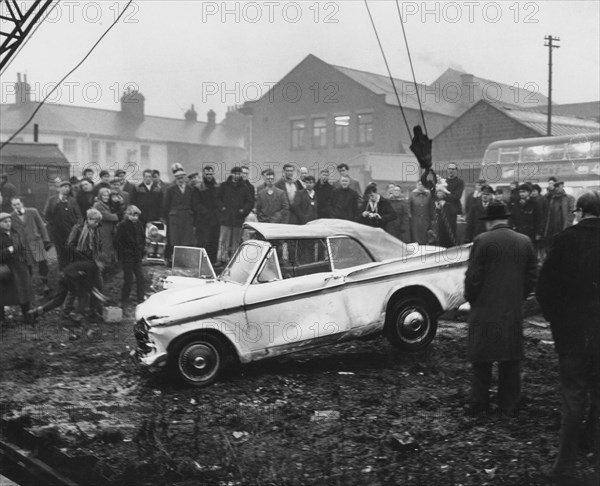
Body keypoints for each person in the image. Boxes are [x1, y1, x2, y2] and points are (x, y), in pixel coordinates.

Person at [536, 191, 600, 484]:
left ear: (579, 212)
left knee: (573, 398)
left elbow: (544, 289)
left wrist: (556, 321)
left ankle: (564, 468)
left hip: (573, 335)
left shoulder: (563, 240)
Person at [464, 202, 537, 416]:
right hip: (511, 310)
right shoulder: (524, 242)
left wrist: (472, 299)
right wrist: (518, 297)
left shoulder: (482, 241)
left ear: (489, 222)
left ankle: (480, 404)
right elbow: (532, 276)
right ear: (506, 219)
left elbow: (472, 278)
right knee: (510, 358)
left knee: (482, 360)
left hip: (484, 309)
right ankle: (508, 404)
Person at [27, 260, 107, 323]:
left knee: (58, 301)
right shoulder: (92, 267)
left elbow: (90, 286)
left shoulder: (90, 266)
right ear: (98, 262)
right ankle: (76, 316)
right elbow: (89, 286)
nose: (102, 267)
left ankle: (35, 313)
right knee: (83, 296)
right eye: (102, 265)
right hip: (69, 279)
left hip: (65, 277)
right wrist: (100, 298)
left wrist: (100, 296)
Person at [10, 196, 52, 294]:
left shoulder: (33, 212)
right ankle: (28, 288)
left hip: (36, 242)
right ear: (11, 206)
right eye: (14, 205)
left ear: (22, 204)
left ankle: (45, 285)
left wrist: (46, 240)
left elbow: (41, 226)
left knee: (43, 266)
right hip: (23, 247)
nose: (16, 206)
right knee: (27, 267)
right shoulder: (11, 217)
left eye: (18, 204)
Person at [0, 212, 34, 324]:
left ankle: (27, 315)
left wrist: (28, 264)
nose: (8, 224)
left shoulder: (16, 234)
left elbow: (24, 248)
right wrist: (8, 251)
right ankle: (1, 318)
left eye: (9, 221)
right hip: (5, 269)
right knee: (3, 293)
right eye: (5, 222)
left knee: (24, 291)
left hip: (20, 267)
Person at [216, 167, 253, 265]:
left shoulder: (244, 187)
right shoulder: (224, 186)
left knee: (236, 240)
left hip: (238, 218)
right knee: (223, 239)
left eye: (239, 173)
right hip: (226, 217)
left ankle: (233, 260)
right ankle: (221, 259)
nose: (237, 175)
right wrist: (222, 209)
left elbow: (249, 202)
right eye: (235, 173)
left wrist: (243, 211)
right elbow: (217, 199)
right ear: (232, 174)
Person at [44, 180, 82, 269]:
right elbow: (46, 214)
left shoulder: (72, 200)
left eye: (69, 187)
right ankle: (63, 269)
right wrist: (51, 225)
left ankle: (72, 267)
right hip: (57, 230)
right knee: (60, 249)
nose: (67, 189)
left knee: (71, 248)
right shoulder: (52, 199)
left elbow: (79, 215)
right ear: (59, 188)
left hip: (70, 229)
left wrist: (77, 226)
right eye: (65, 187)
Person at [114, 205, 146, 309]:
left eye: (136, 215)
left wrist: (141, 250)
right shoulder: (122, 225)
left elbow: (142, 238)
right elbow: (117, 242)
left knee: (141, 277)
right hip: (127, 256)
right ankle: (124, 300)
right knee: (128, 279)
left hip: (137, 255)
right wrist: (124, 252)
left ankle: (140, 299)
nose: (135, 218)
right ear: (127, 215)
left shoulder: (139, 225)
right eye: (132, 215)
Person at [163, 168, 195, 262]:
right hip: (175, 217)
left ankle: (185, 259)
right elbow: (166, 205)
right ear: (176, 179)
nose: (180, 180)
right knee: (175, 239)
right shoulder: (170, 189)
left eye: (182, 178)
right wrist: (166, 218)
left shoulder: (190, 189)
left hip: (187, 216)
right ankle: (175, 259)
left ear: (185, 178)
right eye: (178, 178)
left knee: (186, 239)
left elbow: (193, 204)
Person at [192, 165, 221, 263]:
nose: (209, 176)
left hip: (215, 219)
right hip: (203, 220)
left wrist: (218, 211)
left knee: (214, 241)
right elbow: (196, 204)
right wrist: (205, 212)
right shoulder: (198, 188)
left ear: (213, 174)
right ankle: (201, 261)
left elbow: (220, 201)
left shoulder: (217, 187)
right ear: (203, 174)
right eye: (207, 174)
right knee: (203, 241)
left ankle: (212, 261)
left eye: (210, 174)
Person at [93, 187, 119, 268]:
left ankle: (107, 266)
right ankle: (102, 267)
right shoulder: (98, 205)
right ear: (100, 196)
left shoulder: (106, 204)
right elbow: (110, 217)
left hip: (108, 230)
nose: (106, 197)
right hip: (102, 230)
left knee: (108, 247)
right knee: (104, 248)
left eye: (107, 196)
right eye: (104, 195)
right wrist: (118, 215)